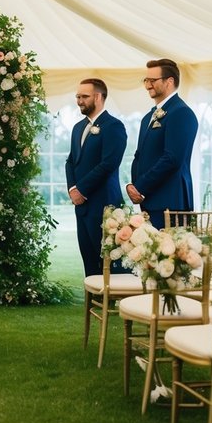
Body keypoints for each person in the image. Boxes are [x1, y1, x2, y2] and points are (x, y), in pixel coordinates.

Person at [65, 78, 128, 277]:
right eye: (77, 96)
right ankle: (92, 303)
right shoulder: (77, 128)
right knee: (89, 259)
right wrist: (72, 190)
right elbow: (70, 161)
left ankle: (110, 302)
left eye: (84, 96)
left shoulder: (114, 126)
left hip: (104, 205)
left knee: (109, 260)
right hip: (82, 206)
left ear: (98, 97)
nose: (79, 101)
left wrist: (81, 189)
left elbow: (108, 164)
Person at [126, 58, 199, 229]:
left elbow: (172, 159)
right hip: (149, 201)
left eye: (152, 80)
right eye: (146, 80)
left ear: (169, 81)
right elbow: (140, 155)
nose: (147, 85)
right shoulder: (148, 118)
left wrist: (141, 187)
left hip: (170, 202)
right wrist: (134, 187)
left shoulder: (181, 113)